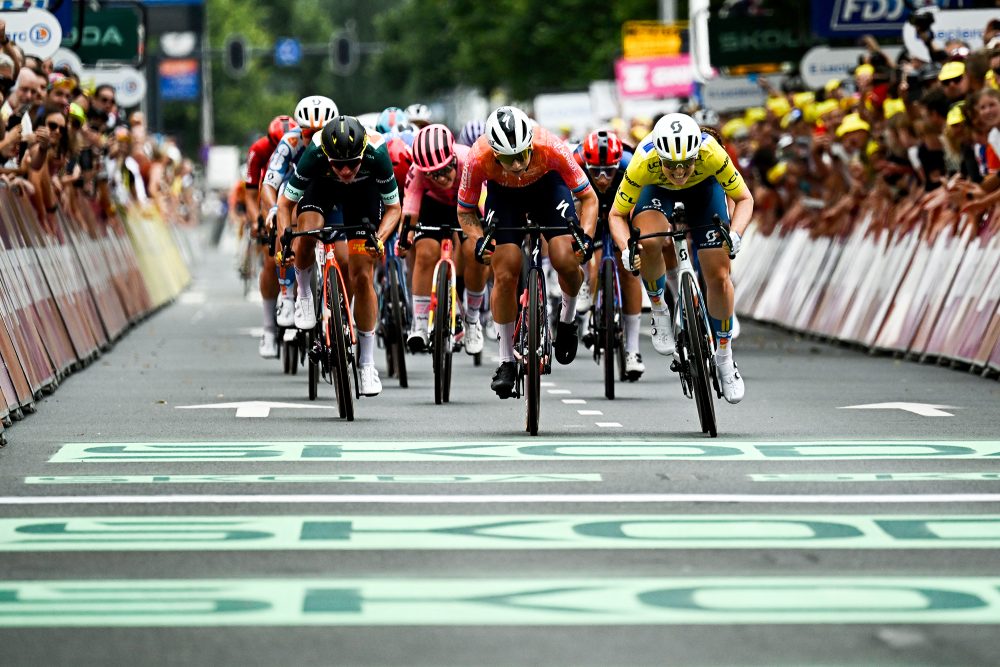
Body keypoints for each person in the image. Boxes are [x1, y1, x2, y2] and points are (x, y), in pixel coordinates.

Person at [608, 112, 753, 404]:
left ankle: (725, 357)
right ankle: (659, 308)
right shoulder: (643, 160)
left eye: (686, 163)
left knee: (719, 275)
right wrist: (626, 249)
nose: (678, 172)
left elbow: (744, 198)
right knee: (650, 241)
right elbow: (616, 215)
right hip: (656, 190)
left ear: (696, 154)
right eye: (671, 164)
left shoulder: (711, 153)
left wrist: (735, 234)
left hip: (704, 190)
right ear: (659, 156)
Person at [457, 105, 597, 398]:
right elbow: (465, 211)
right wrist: (479, 239)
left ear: (531, 143)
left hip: (548, 189)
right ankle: (506, 361)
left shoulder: (550, 146)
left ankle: (568, 319)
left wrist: (585, 237)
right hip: (504, 197)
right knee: (505, 270)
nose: (519, 163)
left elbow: (589, 198)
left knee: (564, 257)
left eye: (523, 154)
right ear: (495, 154)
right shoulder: (477, 157)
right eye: (510, 158)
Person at [275, 115, 402, 397]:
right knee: (307, 232)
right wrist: (285, 242)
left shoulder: (377, 151)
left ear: (363, 153)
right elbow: (285, 204)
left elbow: (394, 208)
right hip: (322, 187)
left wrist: (379, 239)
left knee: (362, 276)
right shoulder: (315, 151)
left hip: (363, 193)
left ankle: (366, 363)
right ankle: (304, 294)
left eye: (352, 163)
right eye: (338, 164)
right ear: (327, 156)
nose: (345, 171)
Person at [399, 123, 487, 356]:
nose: (440, 177)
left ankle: (473, 320)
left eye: (445, 170)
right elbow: (409, 210)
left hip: (466, 203)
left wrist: (488, 233)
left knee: (475, 251)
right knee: (425, 252)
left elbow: (485, 204)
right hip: (434, 206)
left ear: (453, 158)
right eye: (432, 174)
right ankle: (419, 325)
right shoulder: (417, 172)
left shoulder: (469, 160)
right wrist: (405, 238)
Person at [574, 129, 645, 380]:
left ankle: (633, 350)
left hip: (622, 204)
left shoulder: (630, 163)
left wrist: (631, 237)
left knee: (628, 271)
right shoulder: (576, 162)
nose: (602, 178)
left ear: (618, 165)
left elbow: (638, 206)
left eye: (608, 171)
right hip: (588, 202)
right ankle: (586, 280)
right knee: (584, 245)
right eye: (596, 171)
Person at [244, 113, 300, 358]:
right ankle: (268, 329)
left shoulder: (299, 143)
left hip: (293, 193)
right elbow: (250, 193)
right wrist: (257, 219)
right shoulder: (259, 150)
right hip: (269, 197)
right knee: (271, 261)